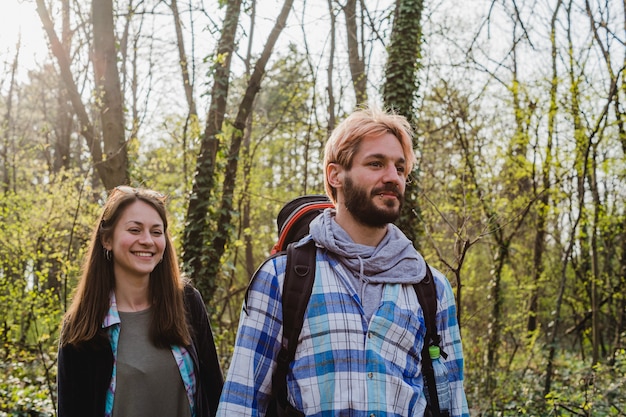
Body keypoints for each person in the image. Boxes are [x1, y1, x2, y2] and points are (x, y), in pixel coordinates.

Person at [216, 107, 470, 417]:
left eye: (400, 168)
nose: (392, 177)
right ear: (335, 175)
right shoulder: (282, 278)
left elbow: (453, 404)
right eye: (376, 164)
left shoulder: (430, 287)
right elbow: (240, 403)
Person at [57, 186, 223, 417]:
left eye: (156, 232)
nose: (147, 240)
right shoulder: (83, 327)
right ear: (107, 239)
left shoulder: (187, 302)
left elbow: (216, 395)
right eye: (135, 230)